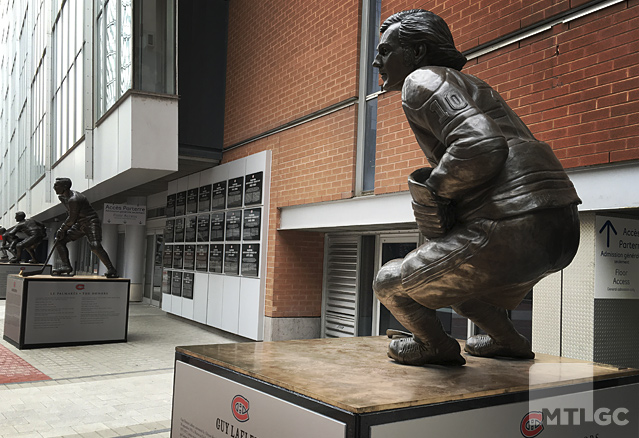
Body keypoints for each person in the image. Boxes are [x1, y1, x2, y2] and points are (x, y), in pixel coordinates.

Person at [372, 10, 581, 366]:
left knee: (389, 282)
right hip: (561, 225)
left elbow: (480, 144)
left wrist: (435, 191)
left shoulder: (421, 80)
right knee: (460, 283)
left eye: (386, 50)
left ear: (417, 51)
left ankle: (433, 345)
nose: (377, 61)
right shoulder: (469, 84)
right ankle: (508, 341)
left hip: (511, 220)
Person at [53, 177, 118, 278]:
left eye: (56, 185)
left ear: (65, 187)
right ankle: (66, 266)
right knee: (59, 241)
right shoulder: (63, 197)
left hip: (91, 222)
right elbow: (72, 216)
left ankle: (111, 269)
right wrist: (64, 230)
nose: (54, 187)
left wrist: (62, 229)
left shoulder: (74, 199)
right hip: (79, 223)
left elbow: (72, 218)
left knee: (95, 246)